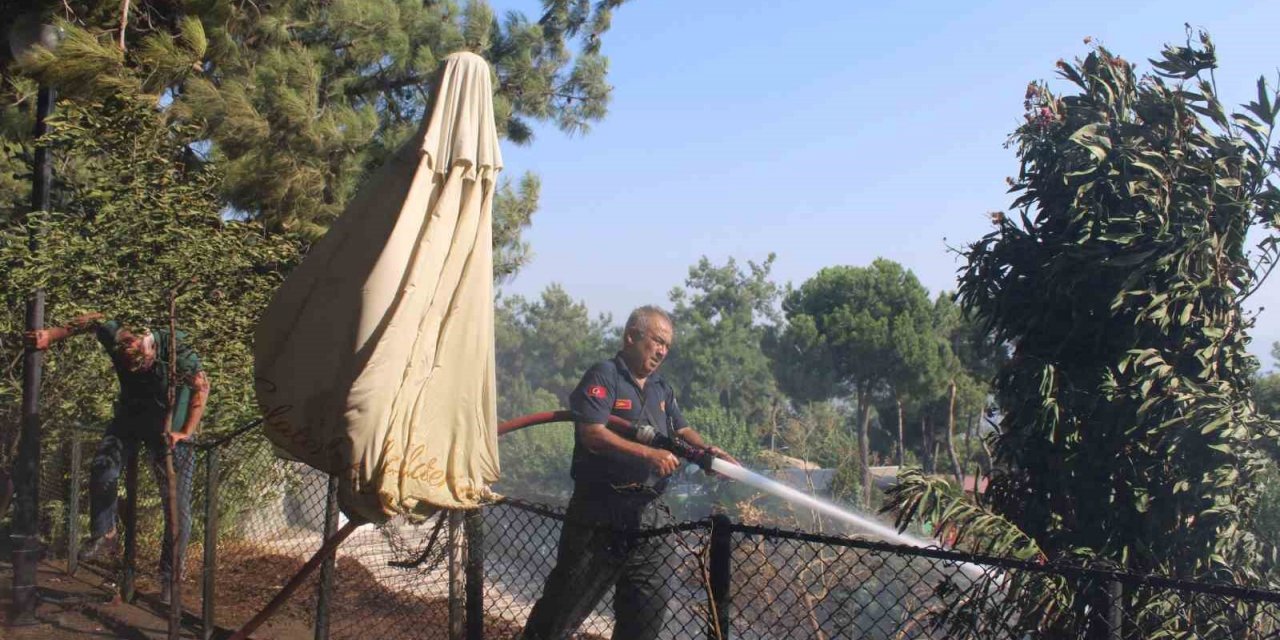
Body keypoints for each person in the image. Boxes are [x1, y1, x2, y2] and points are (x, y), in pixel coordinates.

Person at [521, 305, 738, 640]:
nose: (663, 350)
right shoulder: (604, 375)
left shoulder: (661, 389)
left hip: (651, 517)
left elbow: (682, 431)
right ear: (632, 336)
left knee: (644, 620)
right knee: (559, 614)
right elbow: (592, 433)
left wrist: (706, 452)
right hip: (600, 514)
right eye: (658, 341)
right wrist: (648, 454)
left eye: (668, 345)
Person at [26, 311, 209, 601]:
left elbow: (201, 387)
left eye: (141, 365)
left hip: (171, 432)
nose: (132, 367)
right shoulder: (117, 337)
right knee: (102, 467)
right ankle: (105, 533)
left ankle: (169, 578)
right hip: (130, 418)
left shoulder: (177, 348)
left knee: (176, 509)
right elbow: (92, 320)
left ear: (149, 347)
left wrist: (185, 431)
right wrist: (51, 334)